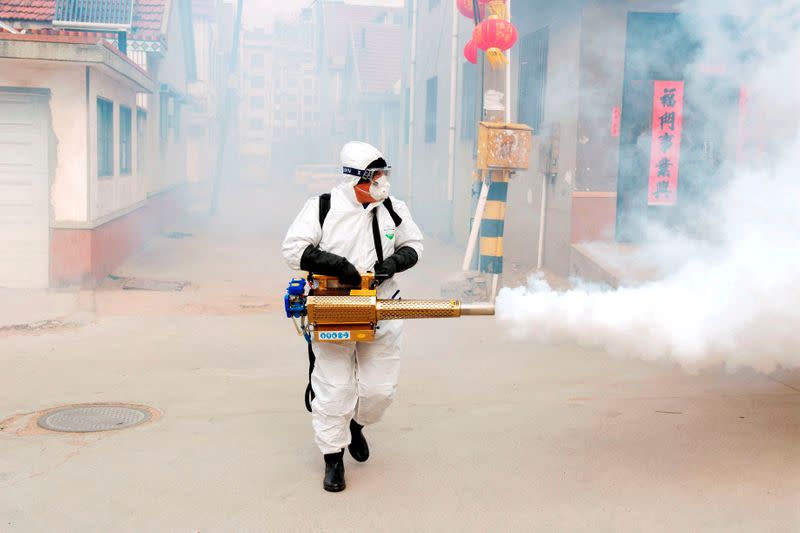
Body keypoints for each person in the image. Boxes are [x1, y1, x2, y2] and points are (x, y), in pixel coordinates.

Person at [282, 141, 424, 492]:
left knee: (379, 390)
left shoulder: (393, 208)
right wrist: (338, 265)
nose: (381, 182)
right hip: (335, 310)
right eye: (375, 176)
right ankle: (333, 459)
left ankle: (357, 423)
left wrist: (392, 262)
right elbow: (293, 250)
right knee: (334, 388)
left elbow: (414, 245)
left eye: (383, 175)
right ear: (354, 179)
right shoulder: (322, 208)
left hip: (383, 307)